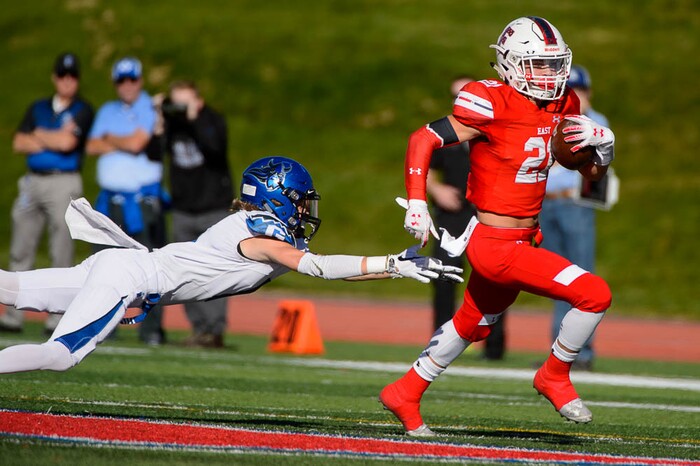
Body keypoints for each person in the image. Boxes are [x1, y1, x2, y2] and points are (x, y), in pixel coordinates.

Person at [0, 156, 463, 374]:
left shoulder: (264, 228)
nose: (305, 212)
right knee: (59, 356)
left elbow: (324, 265)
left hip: (131, 275)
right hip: (128, 274)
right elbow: (319, 268)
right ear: (277, 197)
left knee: (14, 289)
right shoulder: (260, 235)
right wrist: (388, 261)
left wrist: (397, 268)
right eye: (299, 203)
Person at [380, 16, 615, 436]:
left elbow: (585, 175)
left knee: (473, 323)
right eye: (537, 65)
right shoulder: (489, 101)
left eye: (553, 64)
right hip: (495, 242)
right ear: (509, 63)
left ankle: (405, 391)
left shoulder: (565, 104)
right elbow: (422, 138)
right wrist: (417, 202)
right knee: (594, 294)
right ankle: (554, 375)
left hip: (527, 234)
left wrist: (603, 154)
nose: (549, 74)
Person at [0, 53, 94, 335]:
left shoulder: (83, 109)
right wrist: (48, 135)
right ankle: (13, 314)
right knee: (21, 246)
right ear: (55, 77)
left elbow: (68, 143)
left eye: (72, 76)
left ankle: (57, 316)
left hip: (63, 181)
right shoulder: (39, 107)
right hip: (33, 181)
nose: (67, 81)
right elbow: (19, 142)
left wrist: (38, 136)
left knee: (60, 248)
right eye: (63, 75)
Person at [86, 56, 167, 346]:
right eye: (122, 80)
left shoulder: (150, 106)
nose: (127, 85)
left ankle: (152, 330)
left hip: (141, 199)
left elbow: (137, 143)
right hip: (110, 200)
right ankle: (104, 325)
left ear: (140, 80)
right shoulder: (108, 110)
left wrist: (112, 139)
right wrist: (122, 140)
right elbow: (92, 146)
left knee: (151, 267)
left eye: (132, 79)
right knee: (102, 265)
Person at [147, 80, 233, 348]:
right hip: (184, 208)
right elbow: (152, 154)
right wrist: (159, 121)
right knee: (185, 270)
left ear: (198, 101)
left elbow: (216, 150)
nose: (180, 110)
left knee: (217, 270)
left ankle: (214, 329)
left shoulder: (212, 120)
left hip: (213, 207)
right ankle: (198, 327)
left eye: (184, 103)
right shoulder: (172, 124)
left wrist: (194, 120)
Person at [427, 76, 506, 361]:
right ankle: (440, 341)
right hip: (453, 213)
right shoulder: (446, 134)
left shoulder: (497, 130)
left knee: (495, 277)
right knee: (444, 274)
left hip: (487, 214)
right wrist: (437, 190)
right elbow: (426, 168)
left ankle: (494, 347)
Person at [539, 65, 609, 371]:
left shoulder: (595, 122)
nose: (574, 95)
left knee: (582, 277)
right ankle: (559, 351)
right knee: (557, 279)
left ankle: (583, 352)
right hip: (545, 203)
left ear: (588, 92)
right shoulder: (549, 117)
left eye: (579, 89)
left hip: (575, 203)